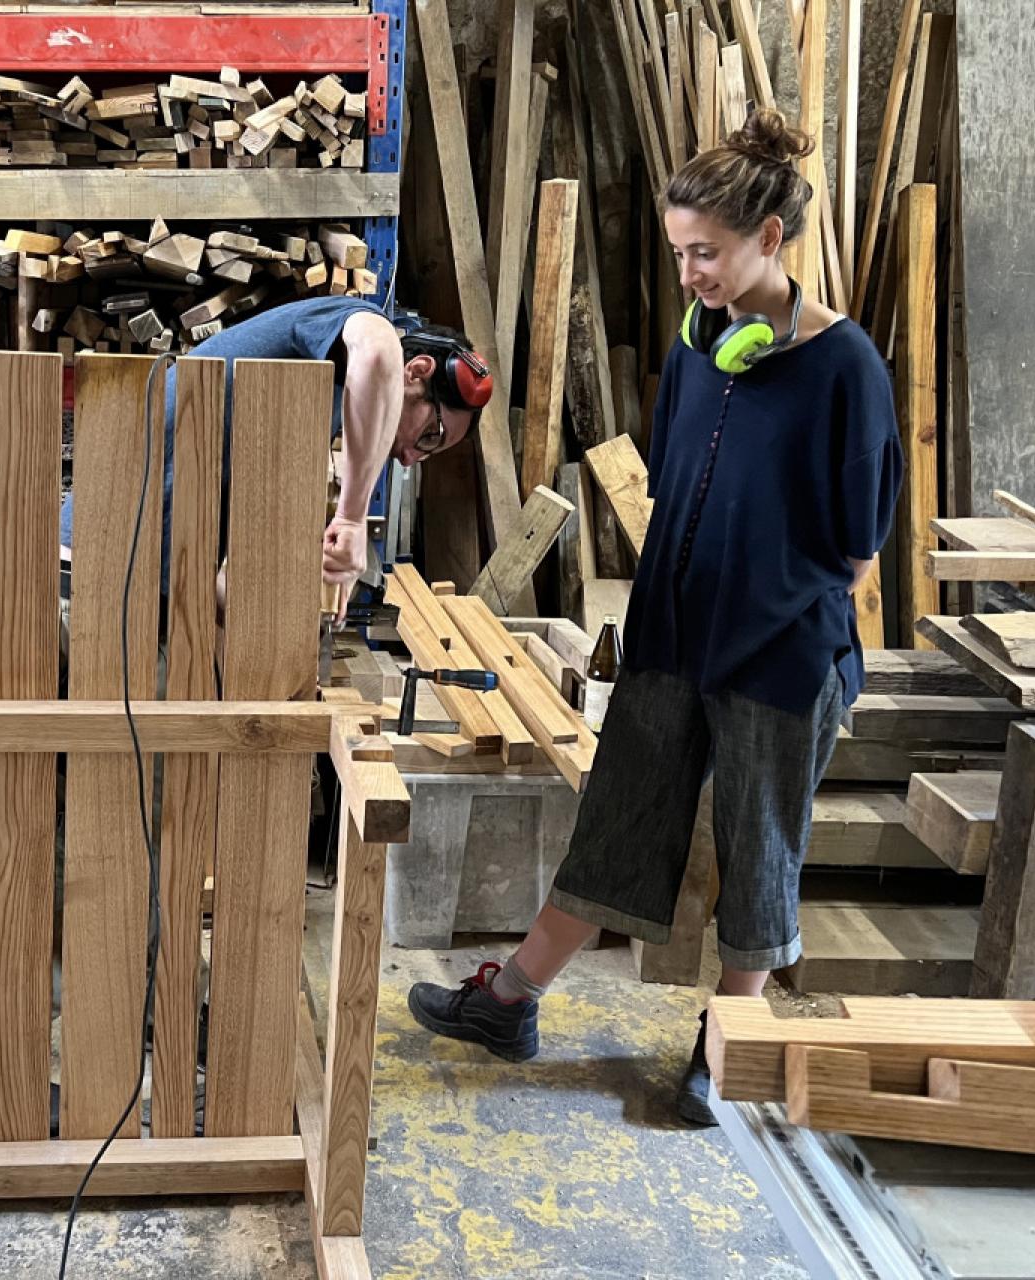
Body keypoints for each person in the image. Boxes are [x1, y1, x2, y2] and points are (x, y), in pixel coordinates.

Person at [405, 108, 905, 1126]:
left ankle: (728, 1052)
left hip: (780, 658)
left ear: (771, 238)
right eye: (680, 253)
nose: (691, 275)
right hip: (674, 636)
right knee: (620, 818)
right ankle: (509, 1002)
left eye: (707, 254)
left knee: (760, 855)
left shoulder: (843, 367)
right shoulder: (698, 346)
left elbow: (857, 547)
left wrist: (766, 600)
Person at [57, 295, 493, 609]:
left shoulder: (300, 404)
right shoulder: (356, 322)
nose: (410, 459)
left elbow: (210, 564)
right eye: (431, 434)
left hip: (138, 585)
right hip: (92, 578)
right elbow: (380, 355)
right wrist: (351, 518)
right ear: (416, 370)